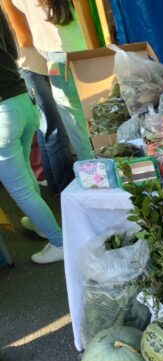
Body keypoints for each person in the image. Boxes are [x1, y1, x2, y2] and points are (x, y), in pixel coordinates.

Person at [0, 7, 64, 263]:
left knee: (21, 189)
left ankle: (59, 242)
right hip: (21, 99)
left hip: (3, 113)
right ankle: (40, 224)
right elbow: (14, 50)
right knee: (25, 175)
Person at [1, 0, 74, 197]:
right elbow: (23, 39)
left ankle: (58, 189)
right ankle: (67, 190)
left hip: (36, 63)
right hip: (30, 65)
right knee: (53, 130)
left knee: (46, 130)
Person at [12, 0, 94, 161]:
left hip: (56, 60)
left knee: (78, 132)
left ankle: (91, 171)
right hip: (91, 51)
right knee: (109, 120)